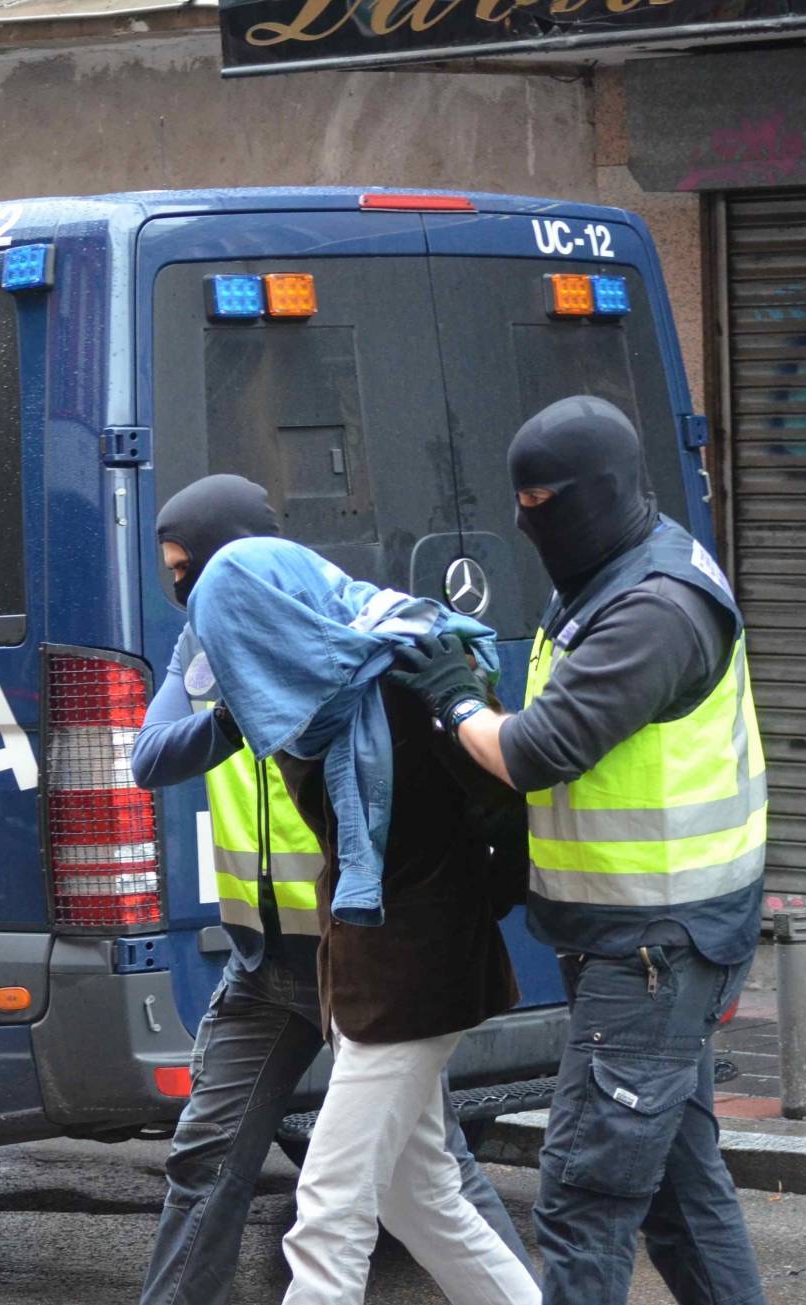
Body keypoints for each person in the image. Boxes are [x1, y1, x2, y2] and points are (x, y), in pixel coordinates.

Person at [388, 396, 767, 1305]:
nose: (531, 523)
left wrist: (454, 700)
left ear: (600, 493)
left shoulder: (655, 608)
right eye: (521, 503)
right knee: (680, 1195)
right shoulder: (606, 570)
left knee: (582, 1204)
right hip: (648, 937)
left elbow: (536, 750)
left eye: (546, 502)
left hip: (656, 946)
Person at [135, 476, 529, 1305]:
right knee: (421, 1196)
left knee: (328, 1212)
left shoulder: (394, 670)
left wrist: (460, 702)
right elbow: (153, 753)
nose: (189, 609)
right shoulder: (305, 683)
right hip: (344, 966)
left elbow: (495, 802)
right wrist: (236, 711)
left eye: (189, 576)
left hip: (405, 972)